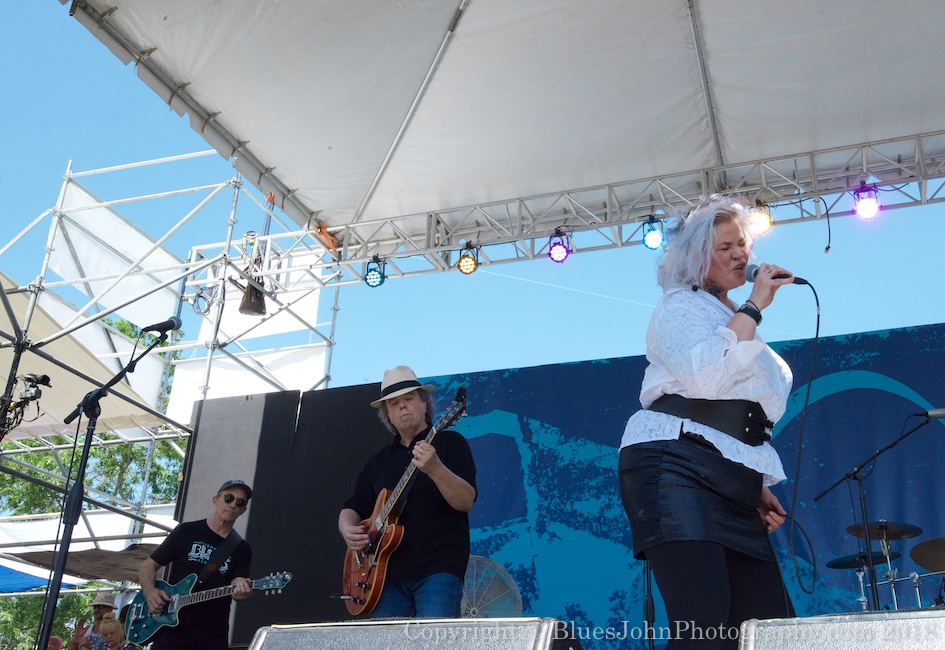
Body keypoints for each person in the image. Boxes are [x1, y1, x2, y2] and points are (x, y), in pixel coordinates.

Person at [618, 195, 796, 649]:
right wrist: (754, 307)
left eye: (742, 244)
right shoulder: (678, 306)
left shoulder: (726, 316)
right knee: (704, 628)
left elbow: (730, 419)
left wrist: (749, 484)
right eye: (725, 247)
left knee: (769, 627)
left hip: (725, 478)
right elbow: (707, 380)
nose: (741, 254)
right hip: (673, 472)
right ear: (698, 258)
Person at [339, 365, 477, 618]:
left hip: (438, 570)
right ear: (388, 415)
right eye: (393, 403)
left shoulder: (450, 443)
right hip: (383, 576)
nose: (402, 406)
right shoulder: (378, 462)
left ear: (424, 404)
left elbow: (466, 501)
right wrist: (348, 531)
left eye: (408, 399)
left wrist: (436, 469)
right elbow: (351, 508)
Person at [138, 479, 254, 649]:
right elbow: (148, 566)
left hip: (212, 634)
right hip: (172, 628)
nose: (233, 504)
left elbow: (238, 583)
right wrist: (150, 592)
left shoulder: (242, 549)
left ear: (243, 510)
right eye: (228, 498)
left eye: (240, 502)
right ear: (216, 500)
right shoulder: (187, 531)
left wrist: (241, 589)